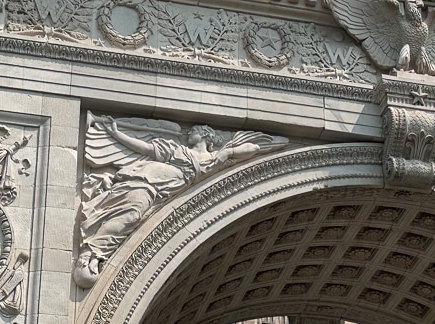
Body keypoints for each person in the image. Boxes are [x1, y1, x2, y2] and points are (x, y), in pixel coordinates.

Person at [73, 117, 283, 286]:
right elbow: (145, 149)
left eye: (193, 131)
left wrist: (273, 145)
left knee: (134, 215)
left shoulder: (215, 158)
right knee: (132, 213)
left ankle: (94, 252)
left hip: (160, 191)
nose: (188, 132)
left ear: (205, 135)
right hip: (146, 180)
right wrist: (116, 133)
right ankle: (92, 252)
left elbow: (246, 150)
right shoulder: (178, 150)